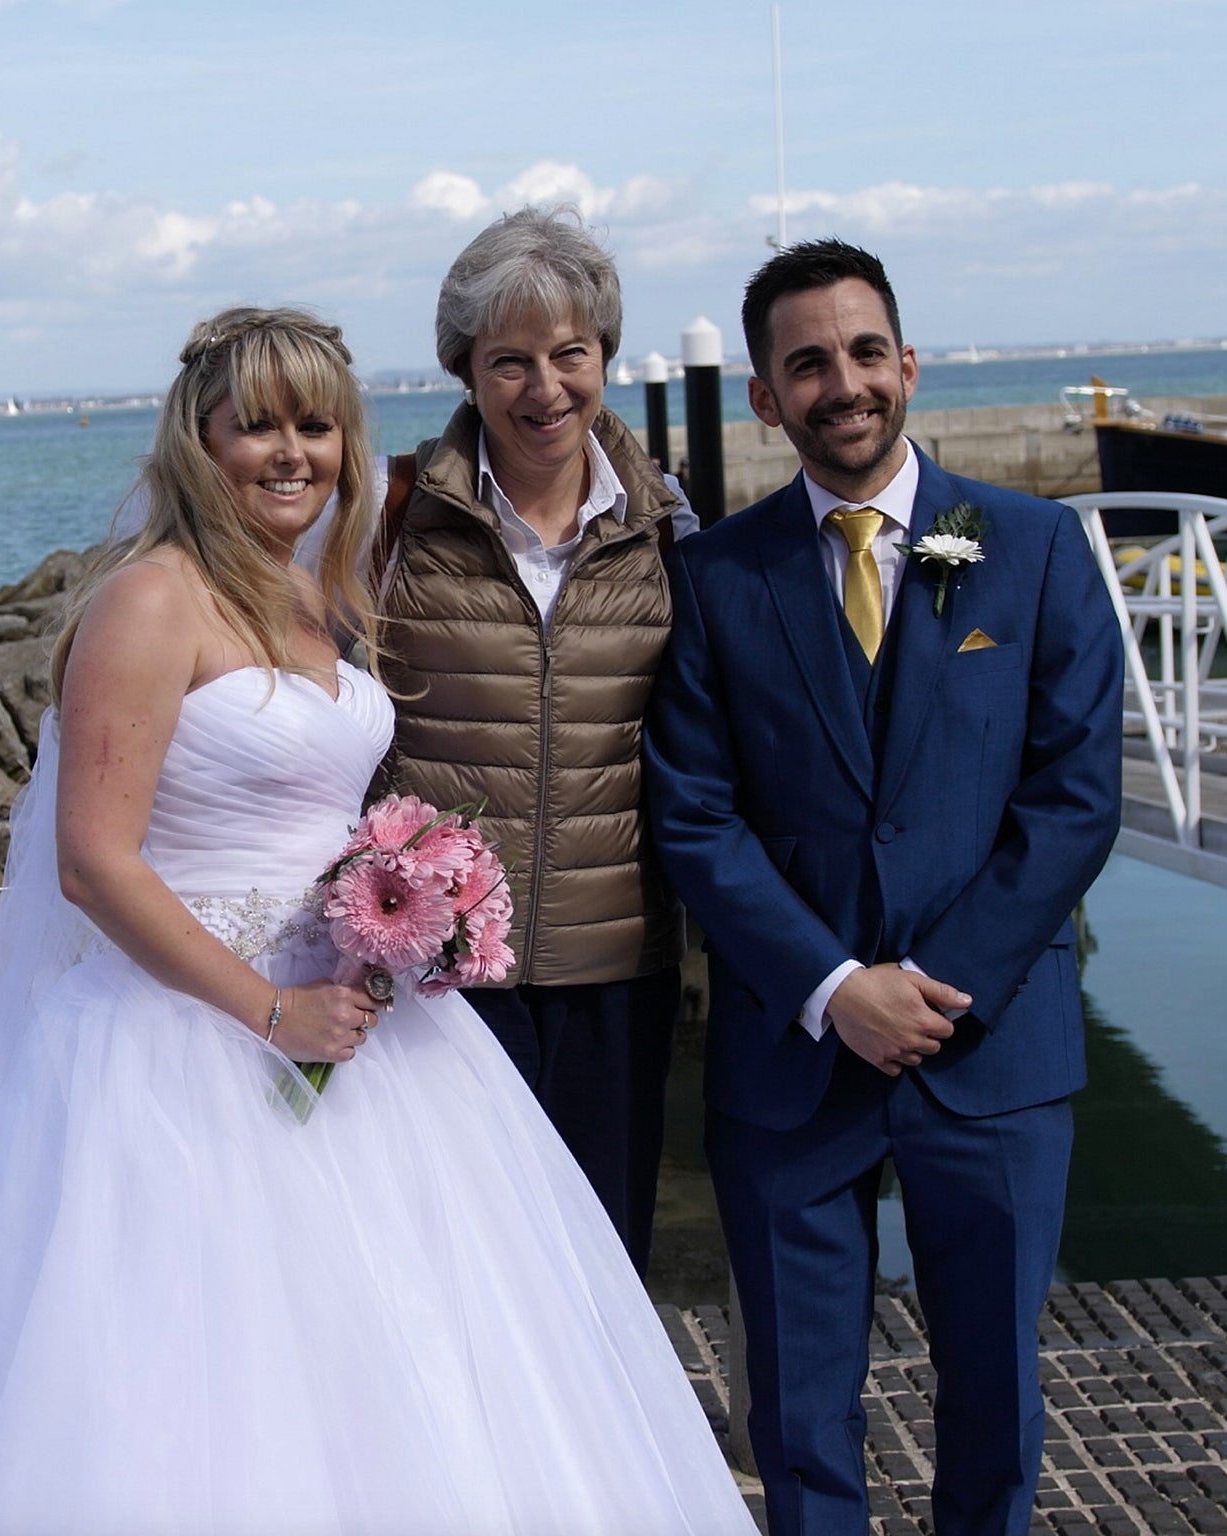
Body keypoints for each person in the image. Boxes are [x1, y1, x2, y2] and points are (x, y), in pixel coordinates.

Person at [0, 307, 753, 1536]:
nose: (292, 454)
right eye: (258, 426)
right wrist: (269, 1009)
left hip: (361, 1025)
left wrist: (406, 893)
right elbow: (93, 863)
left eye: (316, 426)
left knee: (411, 1339)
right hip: (190, 1031)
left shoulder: (311, 594)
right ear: (198, 438)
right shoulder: (150, 601)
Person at [644, 241, 1123, 1536]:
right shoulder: (719, 579)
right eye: (807, 364)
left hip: (994, 1048)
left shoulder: (1014, 545)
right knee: (797, 1426)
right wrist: (834, 986)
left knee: (996, 1414)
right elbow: (694, 814)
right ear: (763, 397)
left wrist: (937, 986)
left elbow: (1074, 796)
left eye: (864, 354)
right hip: (794, 1061)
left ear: (907, 366)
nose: (841, 385)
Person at [368, 207, 692, 1275]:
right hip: (442, 977)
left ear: (603, 355)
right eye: (509, 361)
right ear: (464, 368)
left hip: (615, 968)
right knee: (451, 1272)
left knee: (600, 1263)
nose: (544, 389)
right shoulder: (390, 518)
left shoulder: (669, 530)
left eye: (569, 354)